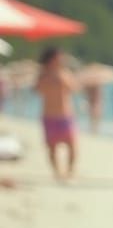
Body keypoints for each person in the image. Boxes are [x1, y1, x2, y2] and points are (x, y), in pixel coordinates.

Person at [33, 46, 78, 182]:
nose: (61, 59)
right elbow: (37, 90)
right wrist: (49, 79)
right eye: (59, 56)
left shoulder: (65, 73)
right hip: (49, 115)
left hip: (65, 114)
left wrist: (61, 79)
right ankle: (57, 172)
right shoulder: (43, 74)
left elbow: (74, 88)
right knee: (52, 147)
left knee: (72, 145)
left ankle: (69, 171)